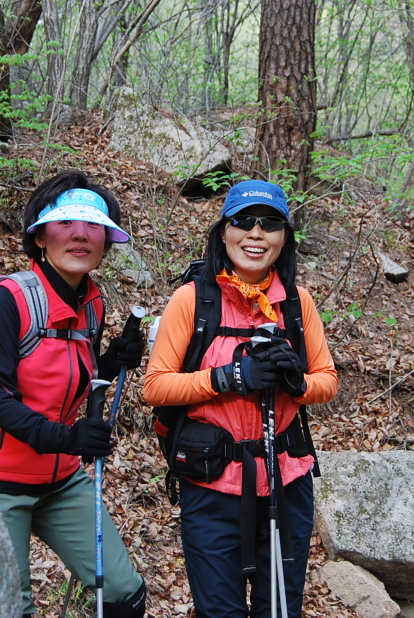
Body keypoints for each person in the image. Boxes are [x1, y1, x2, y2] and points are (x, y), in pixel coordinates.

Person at [0, 170, 146, 618]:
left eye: (94, 224)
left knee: (122, 593)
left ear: (106, 240)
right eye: (66, 223)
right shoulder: (4, 302)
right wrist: (70, 439)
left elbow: (77, 379)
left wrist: (113, 360)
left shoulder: (91, 302)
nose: (80, 235)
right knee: (8, 608)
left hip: (59, 480)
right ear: (39, 236)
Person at [143, 180, 338, 618]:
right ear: (224, 231)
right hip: (212, 485)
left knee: (279, 610)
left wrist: (296, 382)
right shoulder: (193, 301)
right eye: (243, 222)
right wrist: (230, 376)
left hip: (285, 484)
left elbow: (326, 380)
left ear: (284, 237)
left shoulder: (296, 304)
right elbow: (155, 386)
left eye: (270, 224)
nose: (256, 234)